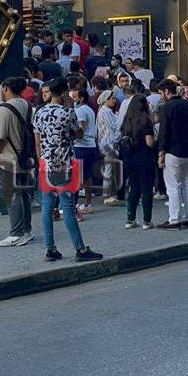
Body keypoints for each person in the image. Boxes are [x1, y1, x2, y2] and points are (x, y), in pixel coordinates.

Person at [34, 78, 103, 262]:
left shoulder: (39, 113)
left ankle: (50, 249)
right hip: (64, 163)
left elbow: (37, 141)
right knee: (68, 207)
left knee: (47, 207)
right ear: (64, 92)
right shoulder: (67, 113)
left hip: (45, 163)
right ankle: (80, 249)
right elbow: (79, 133)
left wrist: (41, 160)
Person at [155, 79, 188, 229]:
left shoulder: (166, 107)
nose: (161, 96)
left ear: (166, 91)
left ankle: (174, 219)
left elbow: (164, 132)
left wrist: (161, 153)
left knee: (173, 186)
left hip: (173, 151)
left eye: (161, 93)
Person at [0, 77, 35, 248]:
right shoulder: (27, 106)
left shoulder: (4, 110)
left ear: (6, 88)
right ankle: (27, 230)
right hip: (26, 158)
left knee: (12, 195)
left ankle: (16, 234)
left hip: (8, 159)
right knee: (24, 194)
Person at [119, 92, 157, 229]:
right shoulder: (145, 120)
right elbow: (149, 142)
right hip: (145, 157)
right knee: (146, 189)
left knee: (134, 188)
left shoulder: (126, 121)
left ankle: (130, 219)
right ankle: (147, 221)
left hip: (130, 158)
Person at [70, 86, 99, 215]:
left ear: (81, 99)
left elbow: (81, 128)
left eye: (74, 97)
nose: (73, 100)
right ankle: (87, 202)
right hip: (90, 145)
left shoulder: (80, 111)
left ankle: (75, 204)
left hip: (81, 146)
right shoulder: (90, 110)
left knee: (77, 177)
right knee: (86, 176)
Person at [96, 90, 123, 206]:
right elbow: (114, 125)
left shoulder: (105, 111)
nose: (114, 100)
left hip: (106, 142)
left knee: (110, 169)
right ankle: (107, 195)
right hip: (109, 143)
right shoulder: (105, 112)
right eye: (112, 98)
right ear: (106, 100)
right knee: (109, 170)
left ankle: (110, 193)